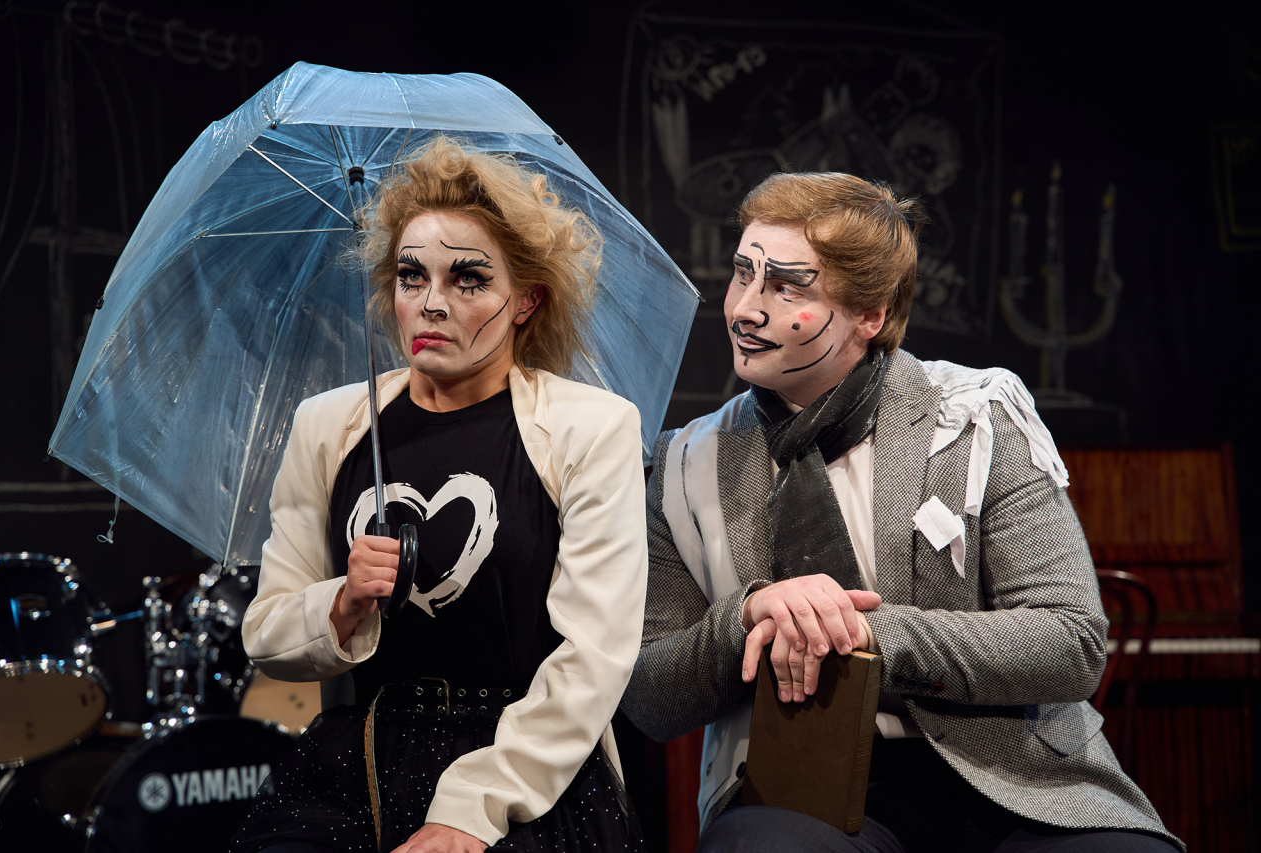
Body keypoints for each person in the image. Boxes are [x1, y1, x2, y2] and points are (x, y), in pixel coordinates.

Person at [620, 171, 1181, 852]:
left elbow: (1071, 642)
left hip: (1011, 775)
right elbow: (650, 698)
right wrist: (748, 616)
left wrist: (866, 632)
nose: (744, 308)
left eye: (787, 287)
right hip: (801, 790)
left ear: (871, 315)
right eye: (743, 274)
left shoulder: (974, 419)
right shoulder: (686, 462)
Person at [233, 136, 648, 853]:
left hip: (528, 766)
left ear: (526, 300)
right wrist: (343, 601)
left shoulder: (590, 426)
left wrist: (471, 808)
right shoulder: (328, 425)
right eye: (410, 276)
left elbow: (595, 656)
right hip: (358, 762)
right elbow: (267, 634)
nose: (430, 303)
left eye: (468, 280)